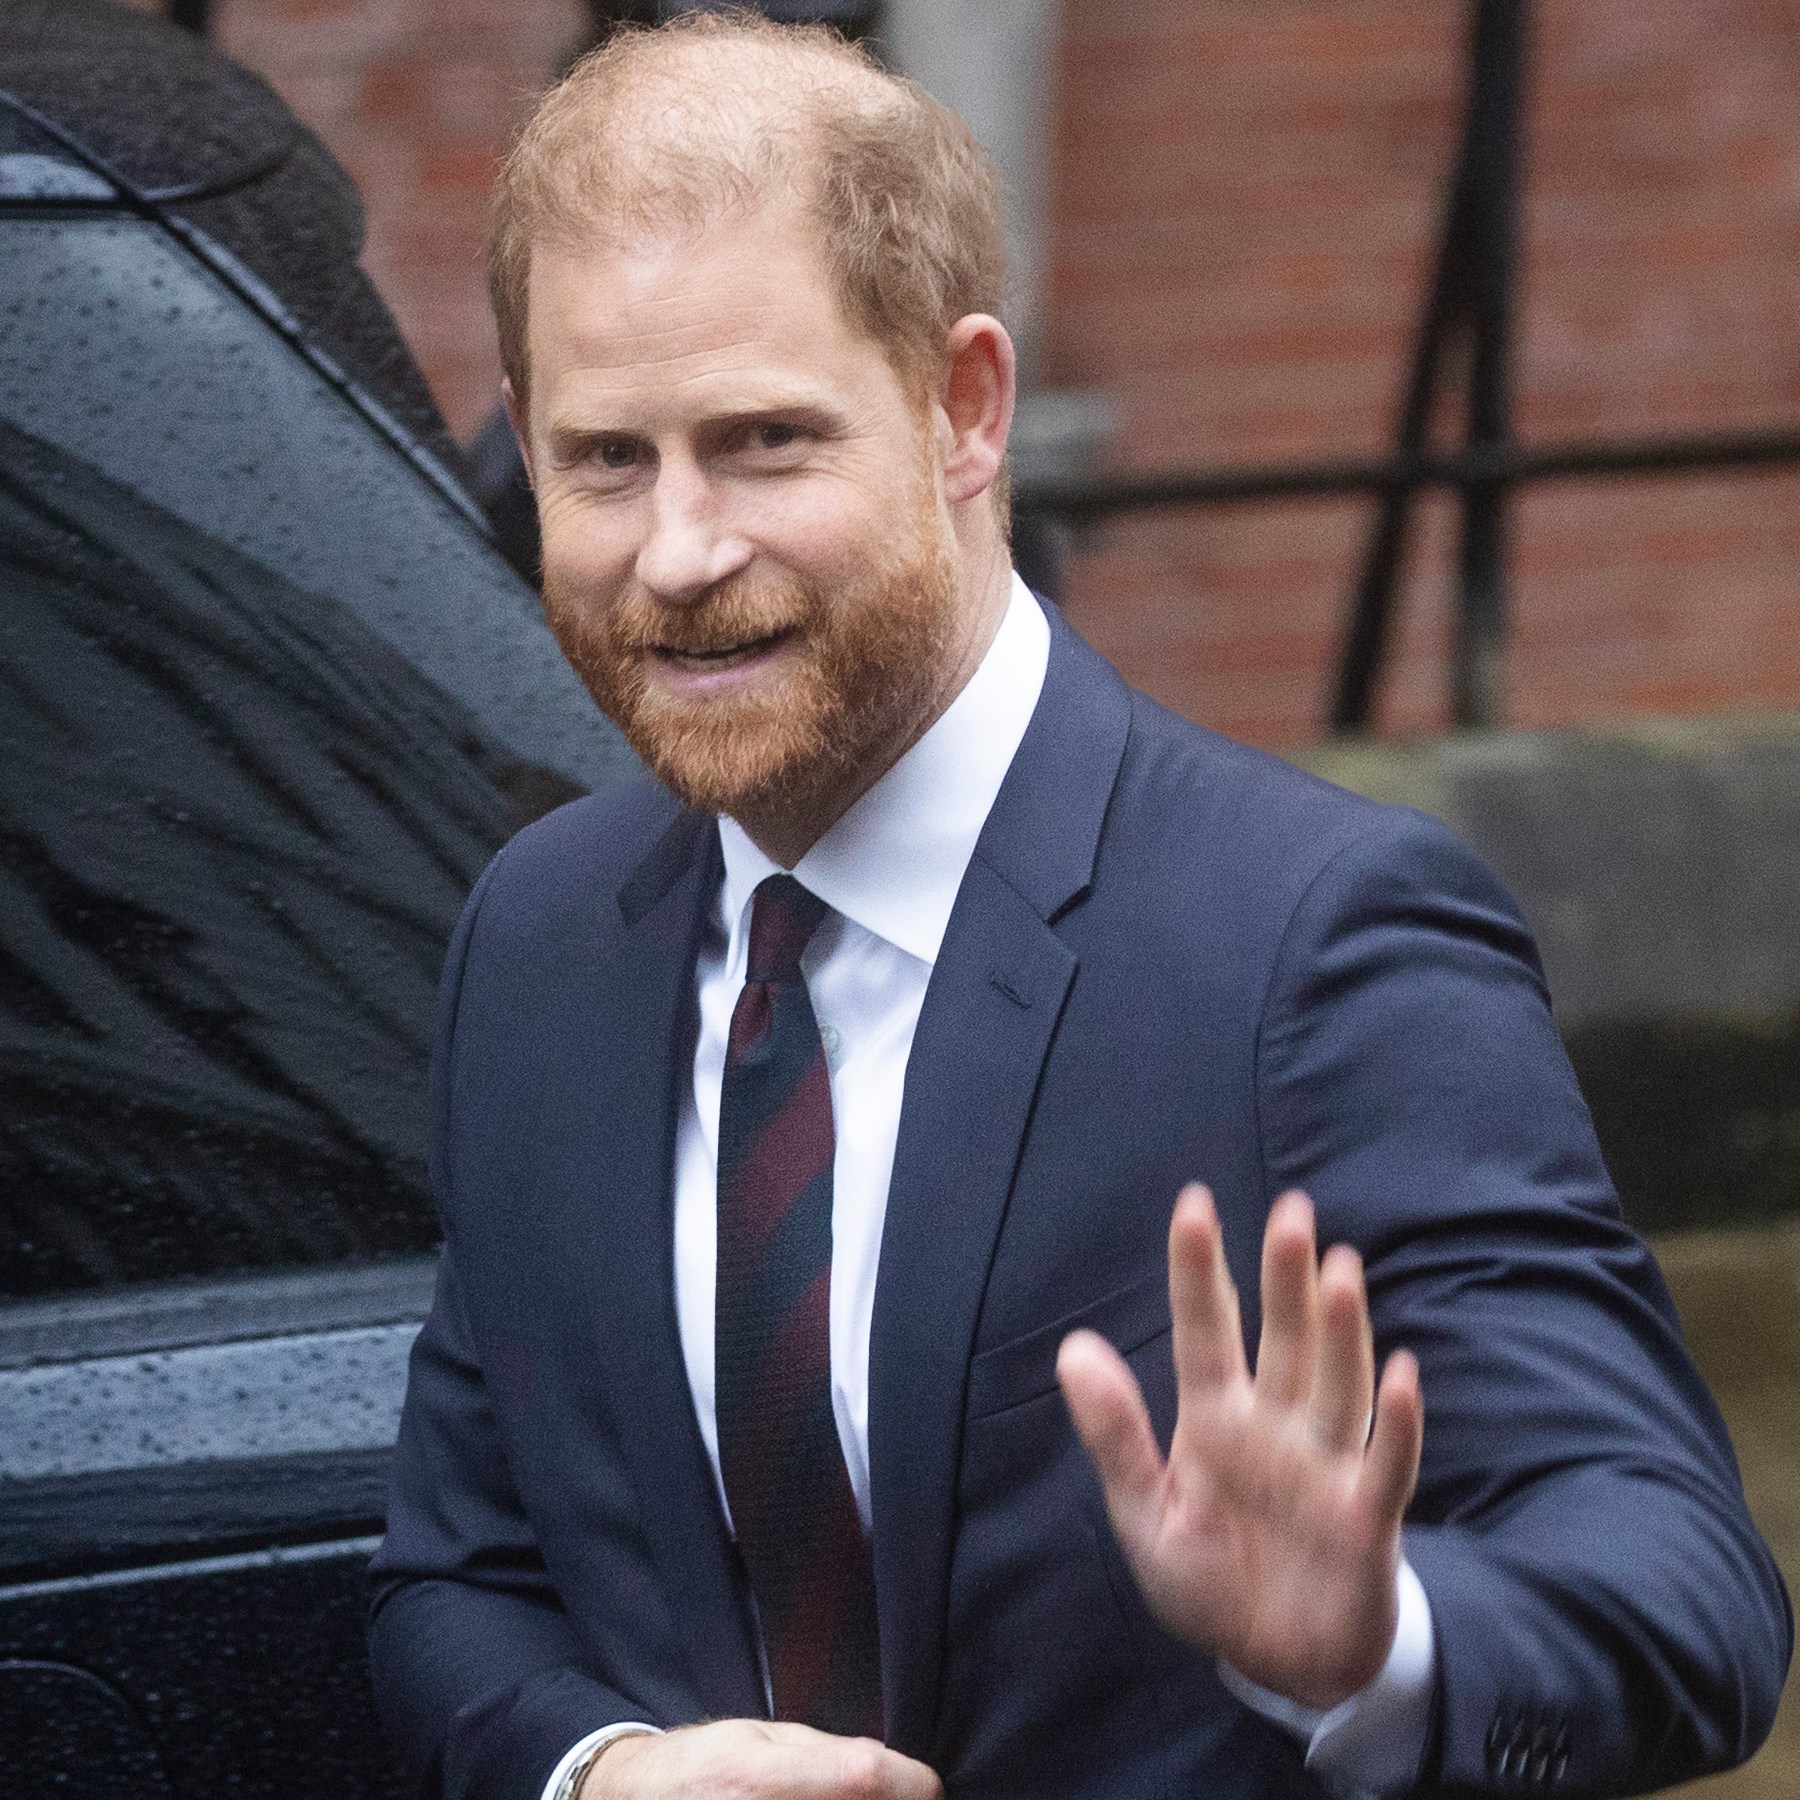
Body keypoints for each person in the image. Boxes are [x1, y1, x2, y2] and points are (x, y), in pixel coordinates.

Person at [367, 17, 1791, 1800]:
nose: (676, 550)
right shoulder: (539, 941)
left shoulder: (1315, 942)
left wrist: (1377, 1644)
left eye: (763, 442)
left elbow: (1692, 1600)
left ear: (966, 410)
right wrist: (603, 1768)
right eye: (602, 461)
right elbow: (456, 1581)